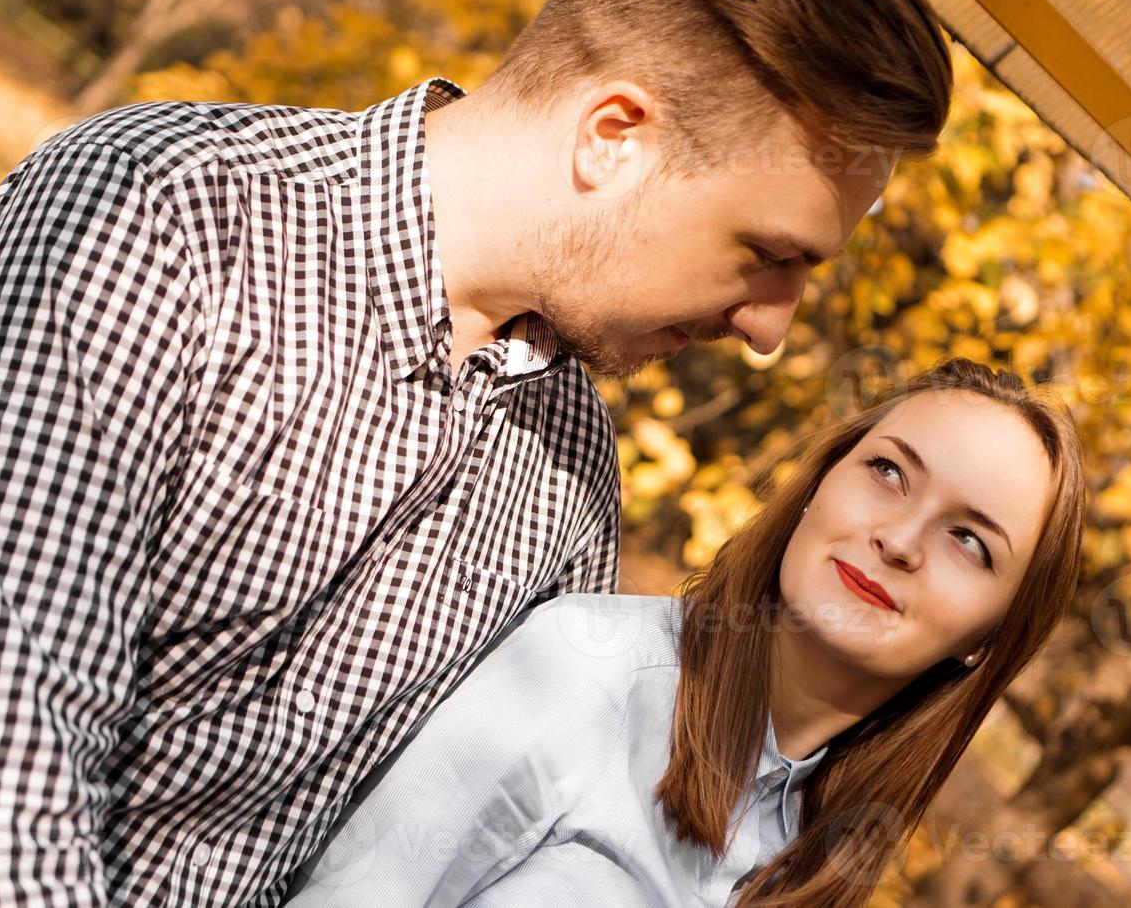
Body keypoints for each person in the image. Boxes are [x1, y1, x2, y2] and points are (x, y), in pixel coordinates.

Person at [0, 0, 953, 904]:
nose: (770, 328)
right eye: (769, 253)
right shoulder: (173, 219)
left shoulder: (572, 475)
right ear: (616, 137)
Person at [282, 357, 1086, 907]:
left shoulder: (826, 849)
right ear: (818, 486)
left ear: (990, 636)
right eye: (887, 472)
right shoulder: (583, 673)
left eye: (969, 540)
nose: (900, 539)